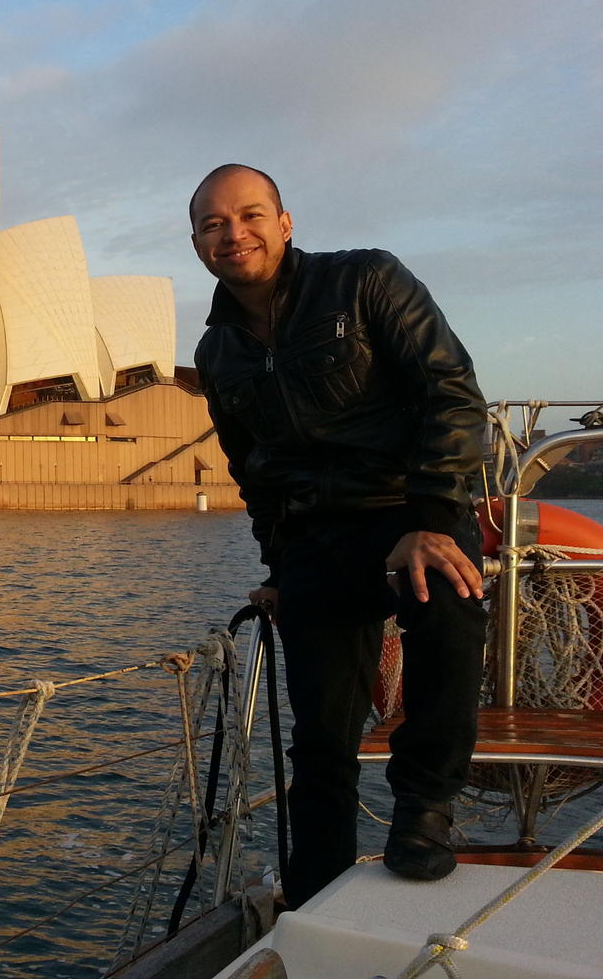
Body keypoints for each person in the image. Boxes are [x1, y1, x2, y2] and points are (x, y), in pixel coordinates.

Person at [188, 164, 488, 905]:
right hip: (317, 540)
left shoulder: (366, 282)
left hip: (408, 508)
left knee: (447, 603)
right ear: (195, 240)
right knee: (321, 736)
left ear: (285, 223)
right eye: (213, 223)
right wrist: (279, 564)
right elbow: (251, 467)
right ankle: (316, 886)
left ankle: (424, 808)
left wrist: (427, 519)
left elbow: (450, 390)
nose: (235, 234)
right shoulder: (215, 354)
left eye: (251, 215)